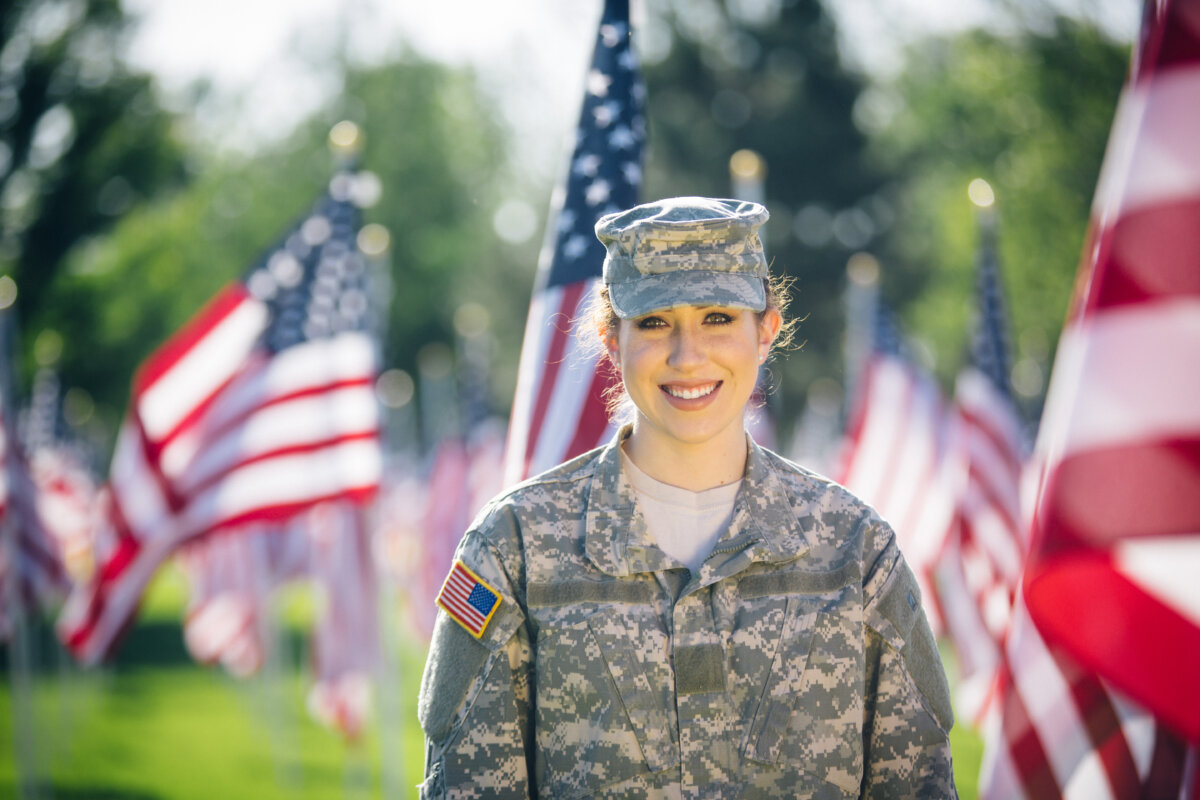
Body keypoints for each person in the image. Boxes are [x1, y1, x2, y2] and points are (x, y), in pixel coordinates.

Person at [417, 197, 958, 799]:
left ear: (767, 330)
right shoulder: (515, 547)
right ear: (609, 336)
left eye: (718, 318)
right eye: (654, 322)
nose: (687, 354)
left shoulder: (854, 550)